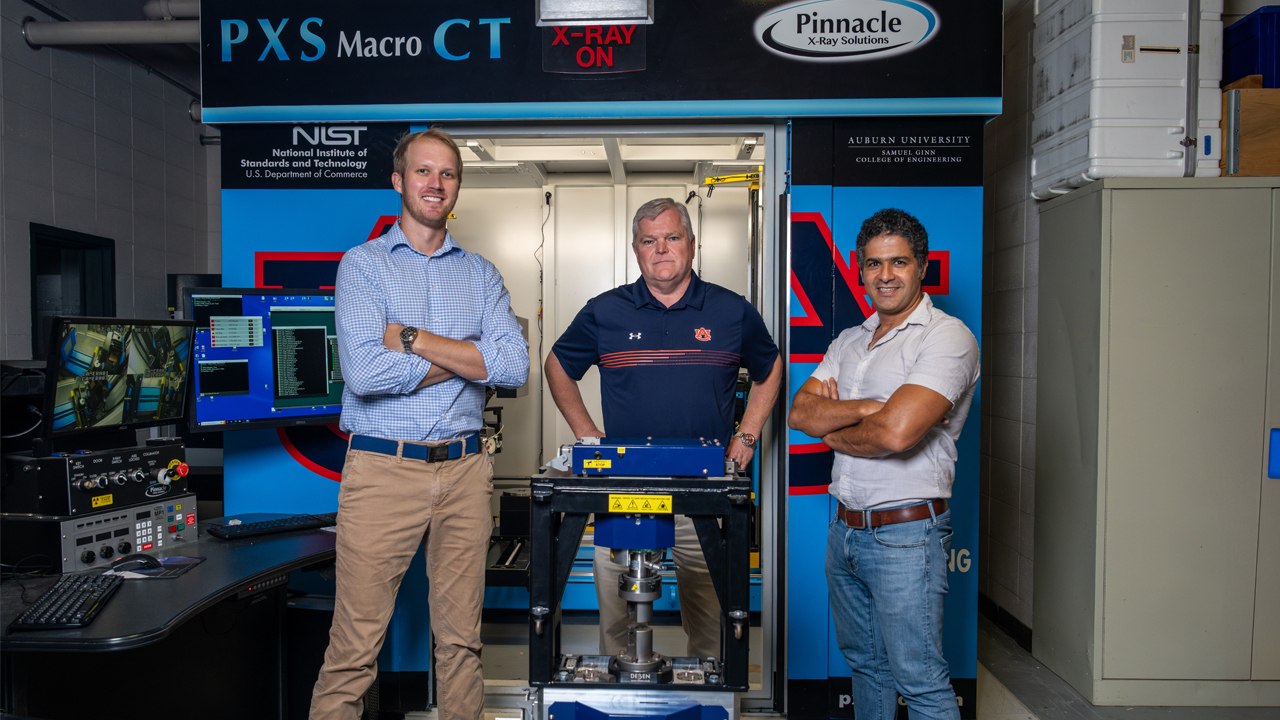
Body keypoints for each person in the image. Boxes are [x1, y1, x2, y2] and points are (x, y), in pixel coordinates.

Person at [310, 128, 530, 720]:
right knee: (354, 648)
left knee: (462, 644)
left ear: (458, 186)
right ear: (399, 181)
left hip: (465, 472)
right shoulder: (362, 267)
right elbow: (362, 373)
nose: (436, 184)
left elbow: (514, 365)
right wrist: (466, 360)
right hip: (384, 468)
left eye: (448, 174)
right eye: (424, 172)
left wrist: (411, 340)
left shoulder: (480, 274)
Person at [545, 197, 782, 661]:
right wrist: (588, 435)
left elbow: (769, 368)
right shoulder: (605, 311)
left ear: (692, 245)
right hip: (623, 489)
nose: (661, 250)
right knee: (616, 617)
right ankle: (614, 698)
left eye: (672, 238)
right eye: (649, 241)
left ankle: (711, 701)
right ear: (636, 250)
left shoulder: (731, 311)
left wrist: (748, 434)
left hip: (704, 487)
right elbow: (557, 364)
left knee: (710, 618)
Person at [788, 208, 977, 720]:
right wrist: (870, 408)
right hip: (844, 528)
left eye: (898, 262)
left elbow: (897, 434)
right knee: (867, 668)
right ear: (860, 268)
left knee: (920, 680)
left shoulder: (946, 337)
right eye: (874, 264)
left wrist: (838, 425)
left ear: (922, 266)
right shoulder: (848, 341)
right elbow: (800, 412)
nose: (885, 275)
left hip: (907, 532)